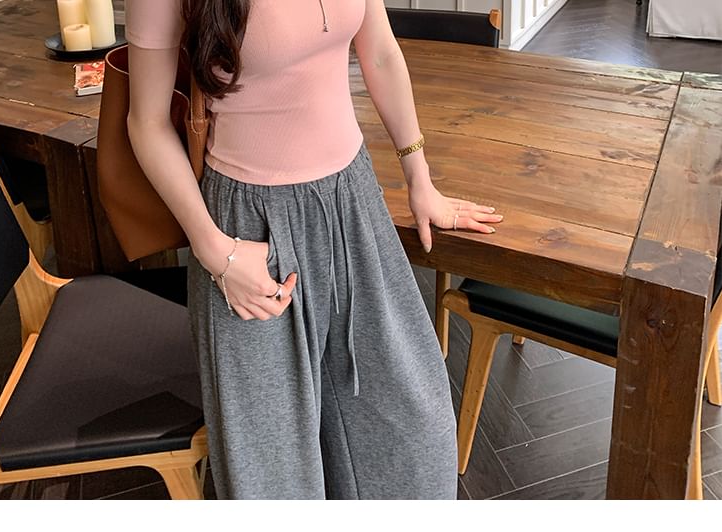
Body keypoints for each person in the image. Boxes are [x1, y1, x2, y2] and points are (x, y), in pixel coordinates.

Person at [125, 0, 503, 499]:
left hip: (353, 200)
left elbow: (380, 52)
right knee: (272, 473)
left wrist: (420, 177)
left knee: (415, 431)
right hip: (246, 228)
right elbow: (146, 122)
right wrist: (216, 252)